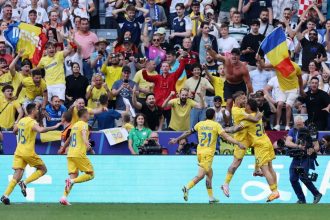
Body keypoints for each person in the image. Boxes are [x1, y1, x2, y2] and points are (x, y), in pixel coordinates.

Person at [169, 108, 246, 203]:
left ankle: (211, 198)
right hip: (208, 154)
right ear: (214, 116)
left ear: (206, 115)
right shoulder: (216, 125)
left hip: (200, 152)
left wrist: (177, 139)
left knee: (209, 174)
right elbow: (227, 137)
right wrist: (238, 143)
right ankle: (187, 187)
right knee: (201, 175)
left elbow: (188, 132)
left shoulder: (200, 124)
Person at [1, 103, 62, 205]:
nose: (38, 111)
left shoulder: (22, 120)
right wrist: (55, 127)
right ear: (33, 111)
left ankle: (5, 196)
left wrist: (23, 131)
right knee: (43, 169)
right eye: (37, 109)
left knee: (17, 175)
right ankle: (24, 183)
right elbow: (41, 130)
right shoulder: (31, 121)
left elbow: (14, 131)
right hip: (28, 152)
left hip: (19, 151)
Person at [224, 99, 279, 202]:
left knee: (265, 169)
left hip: (260, 145)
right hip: (267, 141)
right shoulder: (257, 115)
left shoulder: (247, 121)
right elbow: (258, 112)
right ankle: (275, 190)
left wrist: (223, 130)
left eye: (246, 105)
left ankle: (274, 191)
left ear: (249, 107)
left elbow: (234, 129)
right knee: (270, 167)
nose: (245, 106)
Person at [221, 91, 262, 197]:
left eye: (245, 98)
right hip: (241, 139)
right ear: (237, 100)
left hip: (248, 136)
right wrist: (258, 111)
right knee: (236, 163)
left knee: (260, 146)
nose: (245, 100)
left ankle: (257, 169)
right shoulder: (237, 111)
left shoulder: (241, 109)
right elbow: (255, 118)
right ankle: (225, 183)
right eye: (243, 99)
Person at [256, 54, 304, 131]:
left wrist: (301, 90)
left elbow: (300, 79)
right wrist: (259, 60)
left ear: (290, 57)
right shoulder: (278, 65)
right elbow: (264, 66)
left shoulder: (296, 66)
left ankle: (287, 126)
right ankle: (277, 125)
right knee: (280, 104)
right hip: (281, 92)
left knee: (288, 105)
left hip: (292, 89)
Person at [59, 108, 95, 206]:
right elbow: (84, 134)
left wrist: (63, 148)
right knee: (91, 174)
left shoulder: (74, 125)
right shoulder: (84, 124)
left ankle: (64, 197)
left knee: (73, 176)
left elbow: (69, 139)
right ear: (85, 115)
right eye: (88, 114)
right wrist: (88, 145)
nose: (89, 116)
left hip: (70, 153)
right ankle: (71, 181)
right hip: (79, 154)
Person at [285, 115, 323, 204]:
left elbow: (317, 146)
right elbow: (287, 142)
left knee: (303, 176)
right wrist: (297, 146)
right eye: (297, 125)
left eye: (300, 125)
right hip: (297, 156)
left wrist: (312, 150)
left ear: (303, 123)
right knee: (293, 178)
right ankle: (301, 199)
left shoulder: (310, 131)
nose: (298, 126)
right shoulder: (292, 131)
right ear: (294, 124)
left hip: (307, 157)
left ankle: (316, 194)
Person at [207, 47, 253, 112]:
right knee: (229, 102)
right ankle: (228, 121)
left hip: (239, 85)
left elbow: (248, 82)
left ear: (239, 56)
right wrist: (209, 49)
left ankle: (241, 118)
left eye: (236, 55)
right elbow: (215, 56)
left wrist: (251, 94)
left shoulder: (243, 68)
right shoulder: (226, 60)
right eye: (233, 54)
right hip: (228, 84)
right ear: (230, 55)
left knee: (240, 103)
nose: (234, 56)